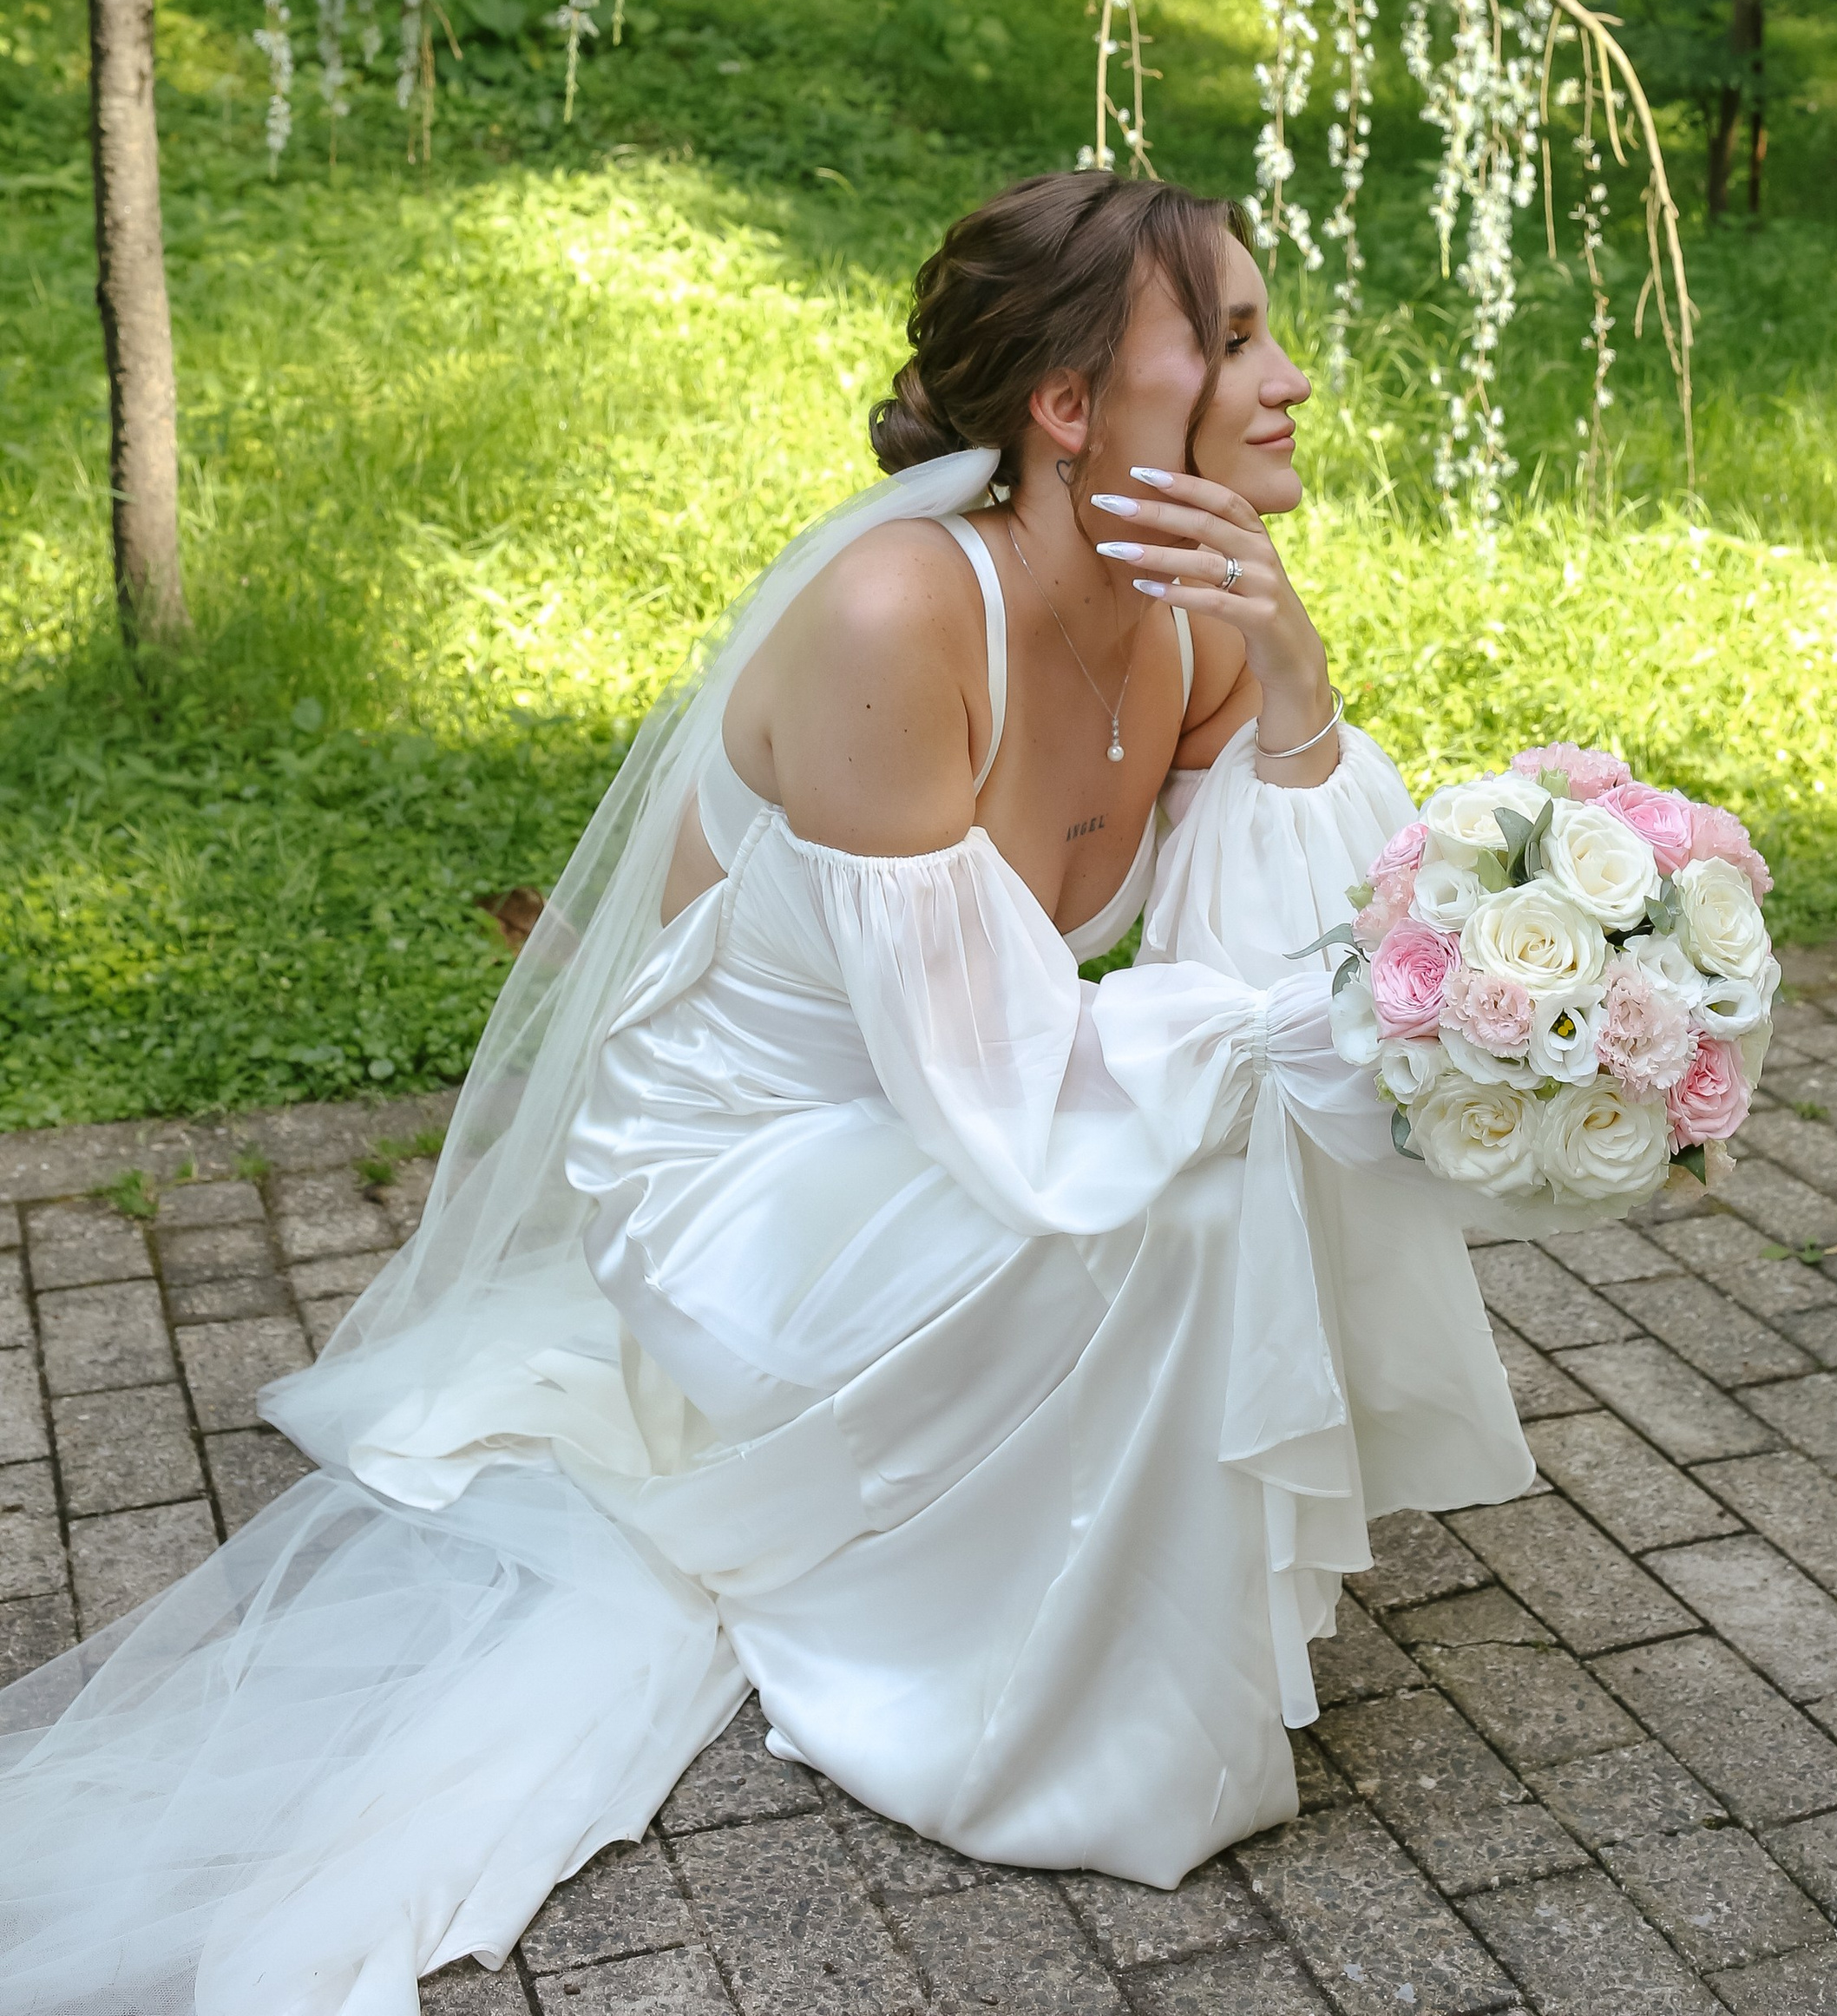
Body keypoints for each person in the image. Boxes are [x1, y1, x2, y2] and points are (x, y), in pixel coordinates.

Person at [0, 170, 1528, 2015]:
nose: (1285, 376)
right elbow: (1007, 1092)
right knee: (1195, 1195)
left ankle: (1103, 1617)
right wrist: (1335, 1042)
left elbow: (1275, 954)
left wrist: (1293, 689)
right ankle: (1010, 1716)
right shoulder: (900, 614)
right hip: (751, 1170)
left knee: (1229, 1163)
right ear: (1065, 409)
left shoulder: (1198, 618)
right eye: (1226, 339)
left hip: (949, 1112)